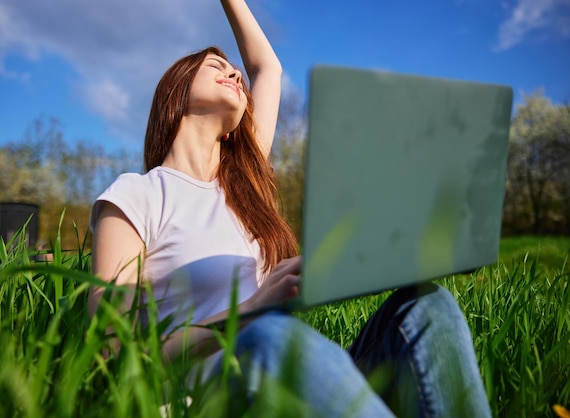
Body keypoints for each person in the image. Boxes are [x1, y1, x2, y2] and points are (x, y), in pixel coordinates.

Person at [89, 1, 492, 416]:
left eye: (235, 71)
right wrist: (249, 311)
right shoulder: (136, 196)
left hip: (286, 377)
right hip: (207, 399)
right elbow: (115, 352)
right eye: (215, 65)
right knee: (267, 335)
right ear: (175, 90)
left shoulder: (244, 186)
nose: (234, 73)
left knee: (427, 306)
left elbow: (269, 69)